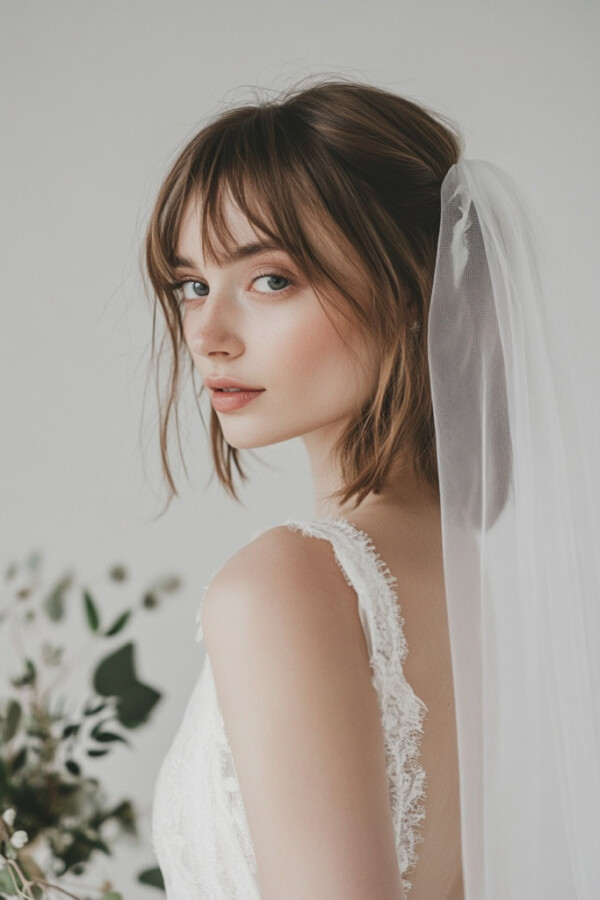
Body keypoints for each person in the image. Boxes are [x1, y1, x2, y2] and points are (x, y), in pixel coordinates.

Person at [147, 79, 600, 900]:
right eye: (191, 284)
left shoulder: (285, 585)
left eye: (271, 280)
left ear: (411, 288)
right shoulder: (488, 588)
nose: (208, 335)